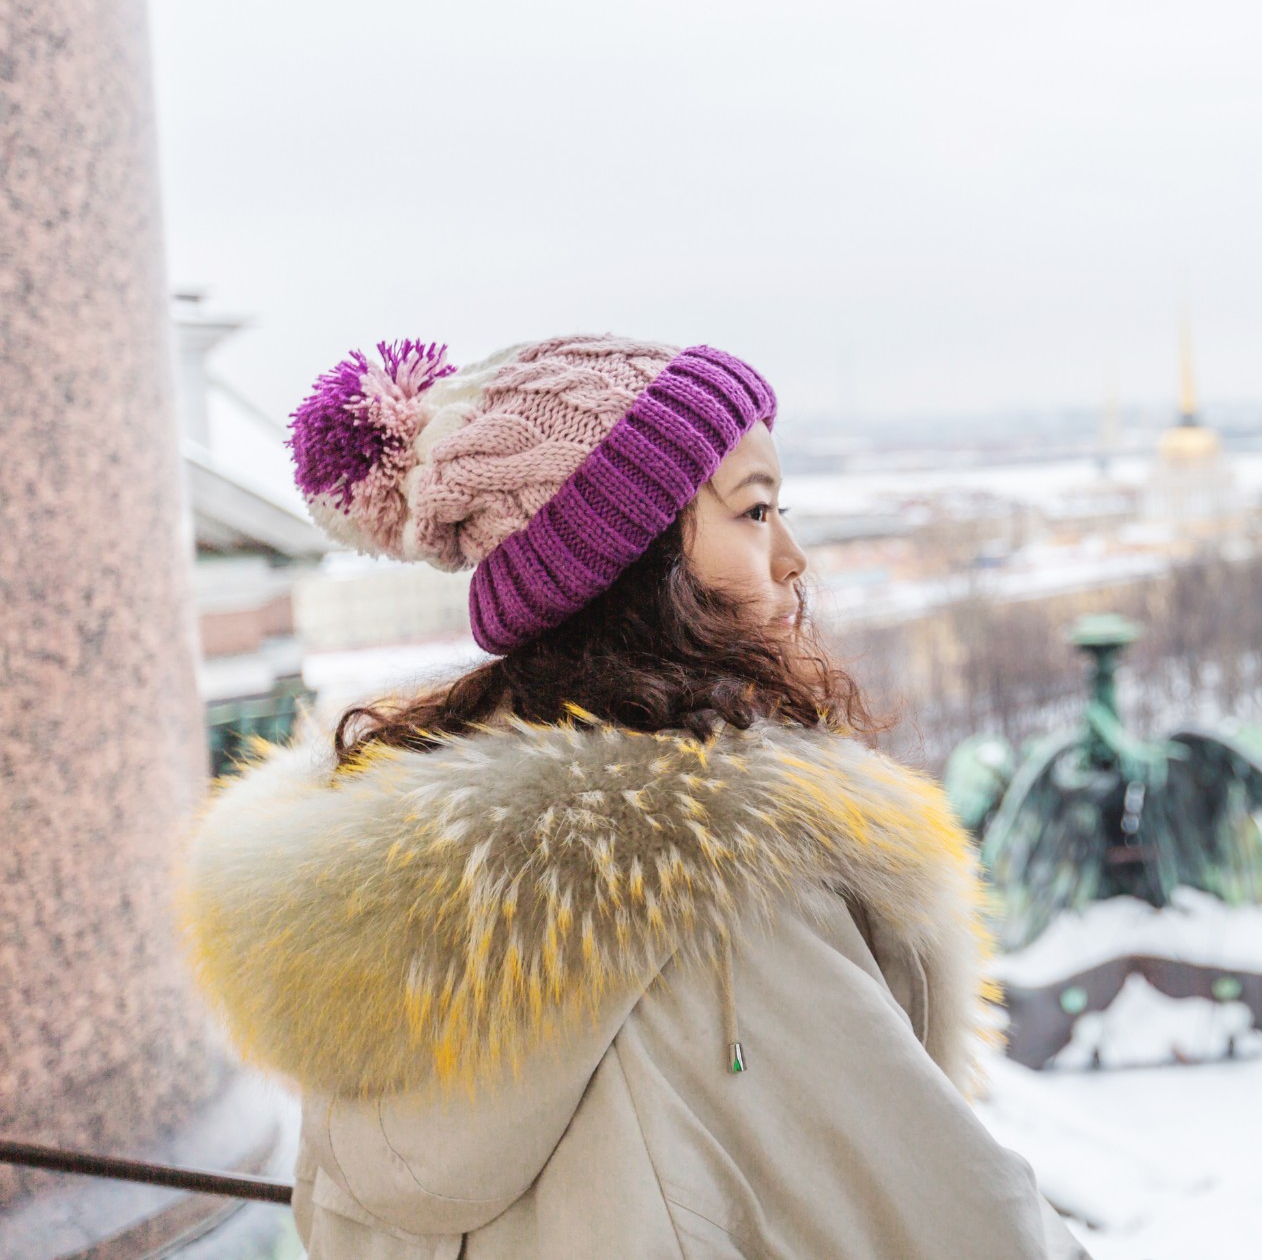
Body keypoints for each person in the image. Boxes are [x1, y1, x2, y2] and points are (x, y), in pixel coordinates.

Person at [179, 335, 1086, 1258]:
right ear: (632, 559)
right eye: (756, 511)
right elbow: (959, 1218)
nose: (794, 557)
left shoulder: (363, 906)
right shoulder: (728, 891)